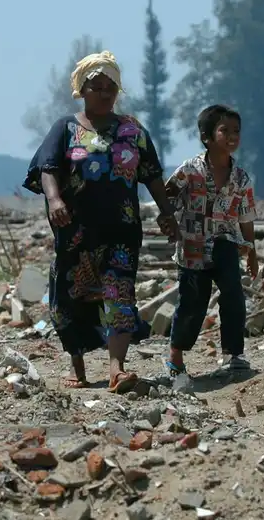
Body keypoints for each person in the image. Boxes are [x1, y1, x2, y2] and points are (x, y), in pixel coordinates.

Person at [23, 51, 179, 393]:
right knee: (70, 298)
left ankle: (116, 369)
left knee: (119, 293)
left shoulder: (132, 130)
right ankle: (77, 366)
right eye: (97, 86)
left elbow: (151, 176)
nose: (105, 93)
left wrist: (168, 214)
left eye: (111, 87)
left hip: (121, 231)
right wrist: (54, 200)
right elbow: (47, 168)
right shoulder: (65, 128)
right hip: (75, 232)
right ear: (82, 89)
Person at [163, 104, 258, 392]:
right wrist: (168, 222)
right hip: (192, 246)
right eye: (224, 130)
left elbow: (246, 216)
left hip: (226, 243)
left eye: (236, 131)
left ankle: (234, 354)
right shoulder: (189, 170)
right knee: (193, 302)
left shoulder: (240, 178)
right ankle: (175, 356)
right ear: (206, 136)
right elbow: (167, 199)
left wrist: (252, 250)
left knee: (233, 294)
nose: (232, 136)